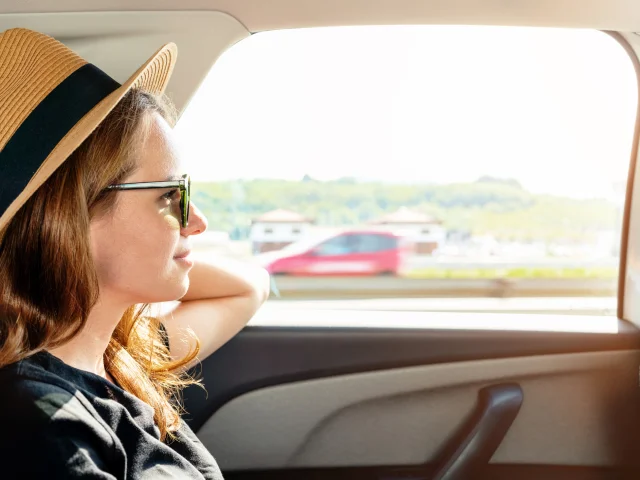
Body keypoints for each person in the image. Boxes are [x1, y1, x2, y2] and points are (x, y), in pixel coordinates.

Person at [0, 28, 270, 479]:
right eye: (171, 194)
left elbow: (248, 287)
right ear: (72, 214)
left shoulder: (117, 355)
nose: (197, 220)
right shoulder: (39, 426)